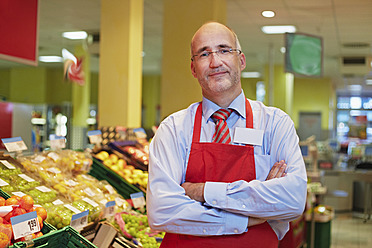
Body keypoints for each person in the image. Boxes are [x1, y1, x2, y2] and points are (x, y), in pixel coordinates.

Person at [146, 21, 307, 248]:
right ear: (193, 68)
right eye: (204, 54)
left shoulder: (275, 124)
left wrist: (202, 191)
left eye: (224, 50)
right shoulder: (173, 128)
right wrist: (249, 216)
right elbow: (162, 211)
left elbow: (292, 200)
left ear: (240, 61)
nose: (215, 62)